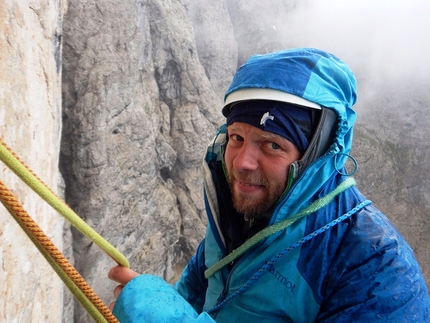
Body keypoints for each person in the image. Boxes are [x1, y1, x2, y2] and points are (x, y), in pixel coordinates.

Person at [108, 48, 430, 322]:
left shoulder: (378, 268)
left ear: (314, 154)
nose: (241, 163)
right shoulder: (235, 217)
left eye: (272, 144)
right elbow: (194, 293)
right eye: (237, 137)